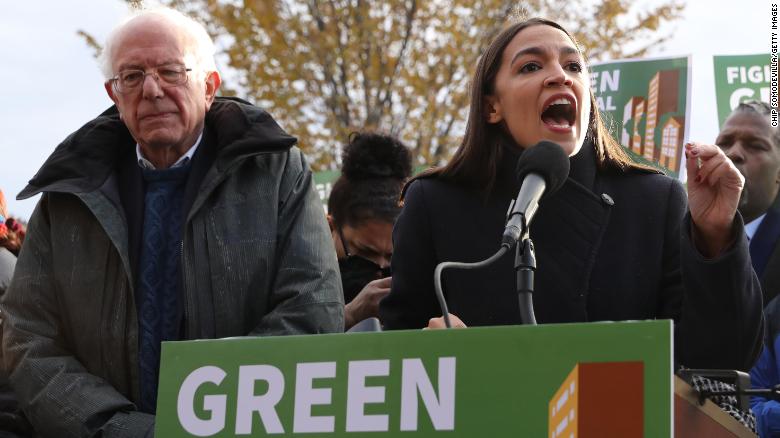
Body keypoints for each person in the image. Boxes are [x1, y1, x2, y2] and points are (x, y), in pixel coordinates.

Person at [1, 7, 342, 437]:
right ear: (114, 94)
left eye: (171, 71)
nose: (152, 89)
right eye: (131, 76)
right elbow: (27, 339)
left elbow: (313, 310)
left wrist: (204, 416)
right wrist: (121, 429)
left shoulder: (275, 173)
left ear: (209, 87)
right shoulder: (68, 195)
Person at [380, 18, 763, 371]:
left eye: (574, 66)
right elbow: (393, 362)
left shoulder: (655, 200)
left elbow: (722, 361)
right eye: (531, 66)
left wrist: (715, 237)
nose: (559, 77)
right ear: (491, 106)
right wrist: (428, 351)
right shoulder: (434, 203)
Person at [326, 132, 412, 330]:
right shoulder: (298, 283)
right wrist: (349, 315)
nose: (380, 267)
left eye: (391, 257)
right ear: (330, 229)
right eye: (365, 252)